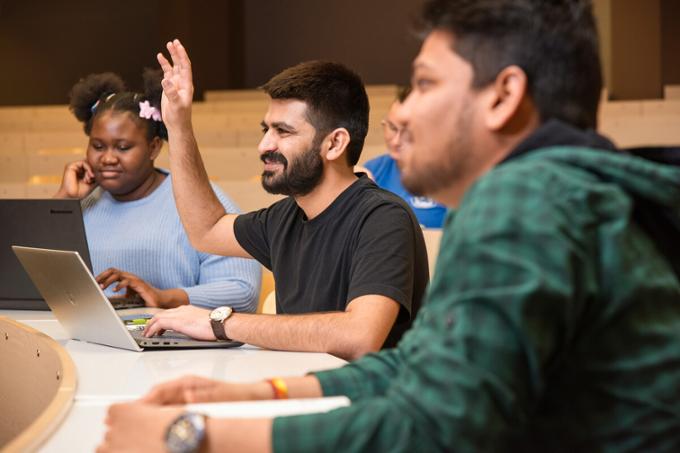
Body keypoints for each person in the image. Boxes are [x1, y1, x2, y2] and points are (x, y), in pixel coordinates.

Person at [98, 0, 680, 451]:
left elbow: (434, 429)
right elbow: (418, 367)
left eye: (424, 84)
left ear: (503, 97)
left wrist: (196, 437)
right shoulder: (561, 192)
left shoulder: (527, 199)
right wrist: (250, 392)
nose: (399, 112)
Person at [141, 47, 428, 360]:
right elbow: (205, 230)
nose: (265, 145)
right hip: (301, 389)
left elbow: (359, 337)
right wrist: (179, 126)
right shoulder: (286, 216)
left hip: (369, 402)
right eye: (267, 129)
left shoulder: (383, 218)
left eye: (283, 131)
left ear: (334, 143)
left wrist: (221, 323)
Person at [54, 71, 261, 311]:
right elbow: (25, 276)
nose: (108, 158)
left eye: (123, 147)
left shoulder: (201, 200)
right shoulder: (81, 202)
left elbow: (242, 292)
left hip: (177, 340)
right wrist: (64, 202)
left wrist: (163, 298)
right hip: (90, 338)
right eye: (98, 146)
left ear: (153, 148)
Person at [362, 86, 447, 228]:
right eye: (392, 128)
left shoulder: (451, 175)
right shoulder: (372, 172)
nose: (396, 141)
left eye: (407, 132)